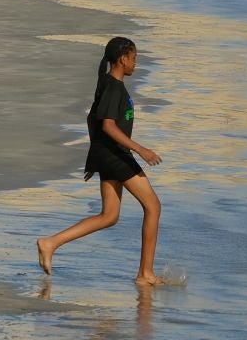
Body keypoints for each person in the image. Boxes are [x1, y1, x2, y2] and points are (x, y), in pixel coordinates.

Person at [35, 37, 162, 285]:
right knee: (153, 206)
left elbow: (92, 120)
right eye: (134, 58)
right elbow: (107, 125)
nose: (136, 64)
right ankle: (145, 273)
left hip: (108, 156)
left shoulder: (109, 84)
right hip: (117, 156)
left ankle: (50, 243)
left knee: (109, 216)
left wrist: (95, 157)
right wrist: (141, 150)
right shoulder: (113, 87)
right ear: (122, 58)